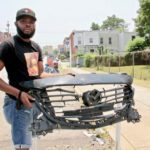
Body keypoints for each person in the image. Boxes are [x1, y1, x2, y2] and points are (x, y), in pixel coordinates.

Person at [0, 8, 44, 150]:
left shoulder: (35, 47)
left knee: (33, 136)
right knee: (23, 147)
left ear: (34, 25)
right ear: (16, 24)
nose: (27, 24)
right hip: (16, 102)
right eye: (23, 21)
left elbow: (36, 75)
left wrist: (64, 77)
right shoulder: (8, 45)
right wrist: (18, 93)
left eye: (31, 21)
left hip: (33, 102)